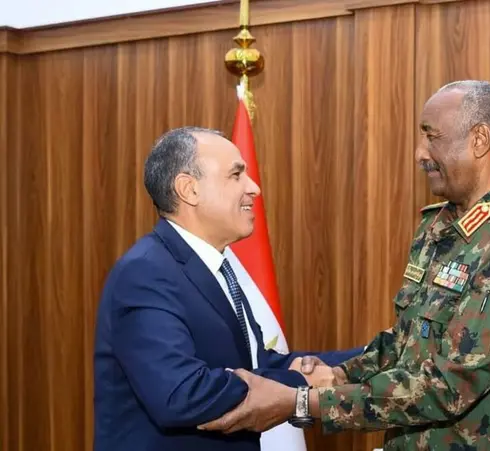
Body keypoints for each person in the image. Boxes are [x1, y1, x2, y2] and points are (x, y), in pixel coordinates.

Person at [198, 80, 490, 450]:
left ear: (479, 140)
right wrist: (338, 375)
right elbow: (407, 343)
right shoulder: (437, 227)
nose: (420, 153)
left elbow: (451, 385)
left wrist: (302, 402)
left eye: (432, 137)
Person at [92, 127, 363, 451]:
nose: (254, 188)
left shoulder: (216, 266)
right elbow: (181, 393)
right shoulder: (145, 272)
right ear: (189, 189)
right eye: (236, 175)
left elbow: (255, 364)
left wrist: (377, 354)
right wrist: (300, 383)